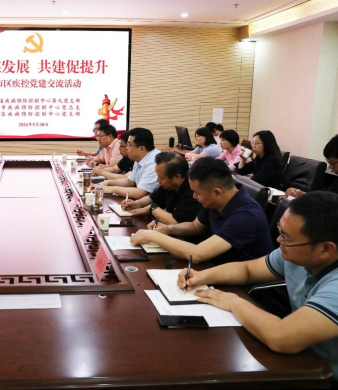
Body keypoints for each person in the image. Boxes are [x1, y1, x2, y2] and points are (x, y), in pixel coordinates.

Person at [178, 192, 338, 386]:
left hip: (323, 376)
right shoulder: (296, 253)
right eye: (280, 231)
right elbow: (247, 270)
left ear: (326, 249)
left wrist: (233, 302)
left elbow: (281, 337)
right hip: (303, 358)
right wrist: (202, 276)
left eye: (286, 238)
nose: (278, 240)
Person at [130, 158, 274, 265]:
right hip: (216, 268)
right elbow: (195, 227)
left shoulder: (245, 216)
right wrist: (168, 229)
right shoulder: (217, 201)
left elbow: (197, 254)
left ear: (217, 192)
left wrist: (154, 236)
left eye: (197, 193)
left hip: (242, 288)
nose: (194, 197)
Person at [120, 151, 202, 224]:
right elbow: (152, 198)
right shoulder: (169, 185)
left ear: (177, 177)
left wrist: (152, 209)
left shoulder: (192, 192)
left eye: (161, 177)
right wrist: (137, 204)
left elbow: (176, 222)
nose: (157, 180)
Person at [100, 127, 160, 199]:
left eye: (129, 145)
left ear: (141, 148)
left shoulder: (153, 163)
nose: (127, 148)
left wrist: (112, 189)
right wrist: (108, 183)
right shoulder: (139, 158)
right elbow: (130, 181)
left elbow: (140, 193)